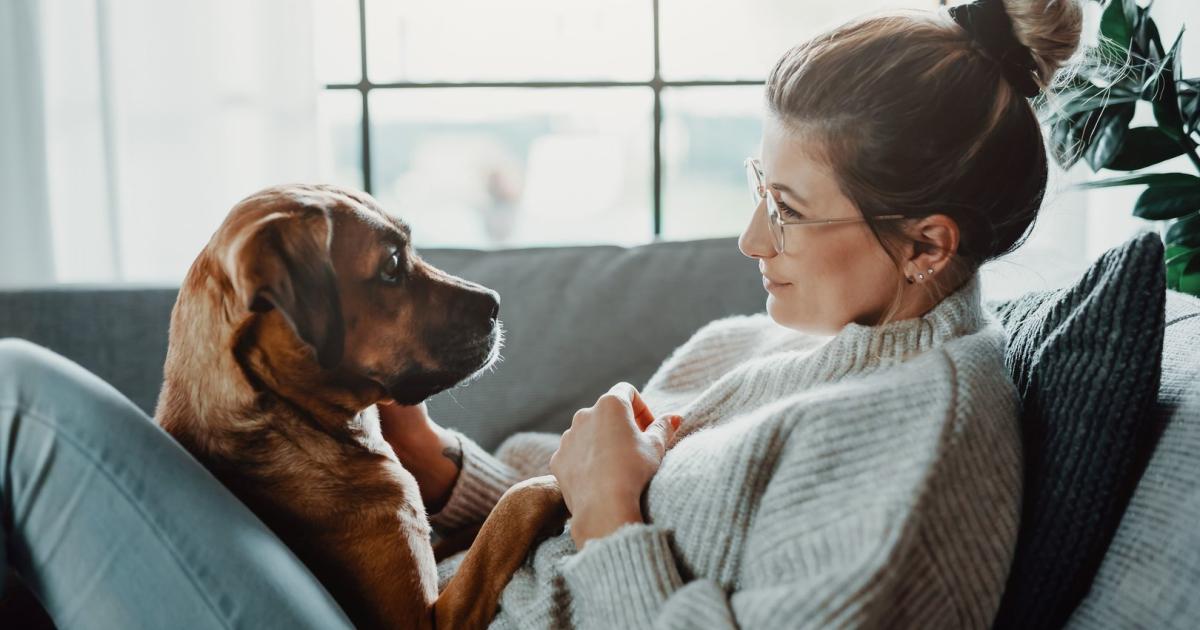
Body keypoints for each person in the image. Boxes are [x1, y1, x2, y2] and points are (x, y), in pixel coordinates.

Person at [0, 0, 1083, 627]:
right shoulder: (761, 343)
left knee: (18, 401)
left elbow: (591, 516)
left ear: (927, 243)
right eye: (761, 188)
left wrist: (611, 518)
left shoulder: (920, 442)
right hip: (410, 599)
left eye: (789, 211)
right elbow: (547, 497)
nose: (751, 240)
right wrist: (438, 470)